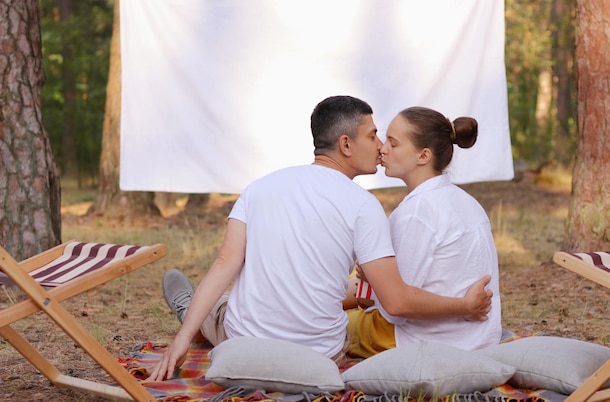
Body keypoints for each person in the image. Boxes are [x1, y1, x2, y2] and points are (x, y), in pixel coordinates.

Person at [147, 96, 493, 382]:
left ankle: (194, 317)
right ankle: (199, 311)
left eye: (386, 139)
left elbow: (226, 263)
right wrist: (463, 307)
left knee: (224, 305)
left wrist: (181, 342)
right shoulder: (365, 206)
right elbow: (393, 298)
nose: (380, 146)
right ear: (346, 144)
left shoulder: (258, 188)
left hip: (243, 337)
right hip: (325, 351)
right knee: (319, 295)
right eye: (373, 136)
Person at [345, 106, 502, 358]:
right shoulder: (467, 202)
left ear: (423, 156)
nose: (382, 148)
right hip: (477, 338)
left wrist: (370, 280)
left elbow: (395, 306)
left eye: (394, 144)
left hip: (420, 341)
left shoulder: (417, 212)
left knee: (329, 324)